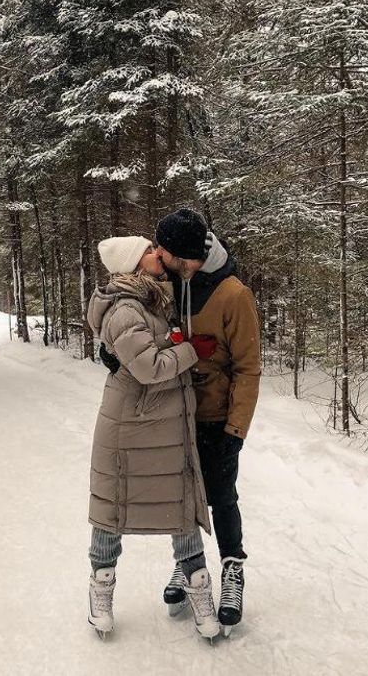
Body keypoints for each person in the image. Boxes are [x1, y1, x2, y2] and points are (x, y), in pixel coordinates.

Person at [103, 209, 261, 632]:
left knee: (221, 496)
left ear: (193, 255)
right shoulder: (168, 280)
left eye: (170, 255)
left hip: (217, 416)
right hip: (174, 409)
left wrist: (236, 429)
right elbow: (132, 322)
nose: (162, 258)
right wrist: (111, 351)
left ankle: (233, 568)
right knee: (183, 496)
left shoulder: (233, 294)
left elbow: (249, 368)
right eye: (162, 253)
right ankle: (188, 564)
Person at [84, 235, 222, 641]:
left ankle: (199, 589)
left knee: (180, 503)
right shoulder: (126, 307)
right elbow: (149, 367)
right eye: (148, 250)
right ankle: (101, 590)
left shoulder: (152, 297)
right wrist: (191, 351)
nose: (157, 253)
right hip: (130, 424)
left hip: (164, 423)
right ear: (132, 263)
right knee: (114, 506)